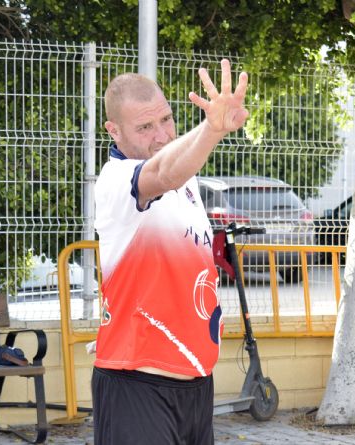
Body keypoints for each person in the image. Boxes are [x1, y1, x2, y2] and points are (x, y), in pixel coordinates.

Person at [91, 59, 249, 445]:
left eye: (166, 119)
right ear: (114, 131)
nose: (161, 135)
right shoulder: (116, 182)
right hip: (137, 384)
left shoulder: (187, 179)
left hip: (195, 382)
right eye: (145, 127)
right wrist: (212, 128)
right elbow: (164, 173)